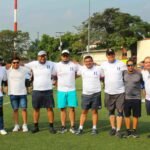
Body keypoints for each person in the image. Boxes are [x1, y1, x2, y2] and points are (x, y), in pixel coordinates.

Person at [25, 50, 56, 134]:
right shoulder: (33, 63)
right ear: (38, 57)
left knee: (49, 108)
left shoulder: (51, 63)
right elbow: (22, 65)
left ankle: (51, 126)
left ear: (46, 56)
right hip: (36, 90)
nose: (42, 57)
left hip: (48, 90)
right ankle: (36, 127)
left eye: (44, 56)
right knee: (36, 109)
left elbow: (62, 65)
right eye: (41, 56)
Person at [101, 49, 126, 138]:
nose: (110, 56)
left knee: (120, 111)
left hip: (120, 91)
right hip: (108, 91)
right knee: (111, 111)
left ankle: (118, 130)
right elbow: (101, 76)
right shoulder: (103, 65)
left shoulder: (121, 64)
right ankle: (113, 128)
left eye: (112, 54)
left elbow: (125, 75)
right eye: (109, 54)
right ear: (106, 55)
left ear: (114, 54)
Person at [76, 56, 102, 135]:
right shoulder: (82, 69)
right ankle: (80, 128)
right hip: (86, 94)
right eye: (86, 61)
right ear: (84, 62)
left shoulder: (98, 69)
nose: (88, 63)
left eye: (90, 61)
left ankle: (94, 128)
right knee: (84, 111)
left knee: (94, 111)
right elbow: (76, 72)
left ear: (92, 61)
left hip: (96, 93)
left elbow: (103, 76)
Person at [54, 50, 78, 134]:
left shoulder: (74, 65)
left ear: (69, 56)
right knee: (62, 109)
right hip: (61, 90)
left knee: (72, 108)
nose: (65, 57)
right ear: (61, 56)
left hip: (71, 90)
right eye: (63, 55)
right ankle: (63, 126)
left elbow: (79, 72)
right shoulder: (57, 65)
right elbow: (54, 75)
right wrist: (55, 83)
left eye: (66, 55)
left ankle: (72, 126)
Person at [6, 56, 29, 132]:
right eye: (14, 62)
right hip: (12, 93)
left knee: (24, 109)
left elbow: (32, 71)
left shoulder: (24, 69)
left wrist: (24, 65)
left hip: (22, 93)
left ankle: (25, 125)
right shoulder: (8, 70)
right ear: (11, 63)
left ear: (19, 62)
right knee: (15, 110)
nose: (15, 64)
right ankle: (16, 125)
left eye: (17, 62)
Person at [123, 59, 143, 138]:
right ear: (126, 66)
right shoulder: (124, 73)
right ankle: (128, 130)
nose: (130, 67)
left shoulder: (139, 73)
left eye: (131, 65)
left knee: (135, 115)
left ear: (134, 65)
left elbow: (144, 81)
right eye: (128, 65)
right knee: (127, 115)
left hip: (136, 98)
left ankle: (134, 130)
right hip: (127, 98)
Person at [141, 56, 150, 138]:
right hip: (148, 98)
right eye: (146, 62)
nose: (148, 64)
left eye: (149, 62)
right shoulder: (143, 72)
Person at [0, 58, 7, 135]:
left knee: (0, 112)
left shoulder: (2, 69)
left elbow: (5, 79)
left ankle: (1, 128)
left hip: (0, 95)